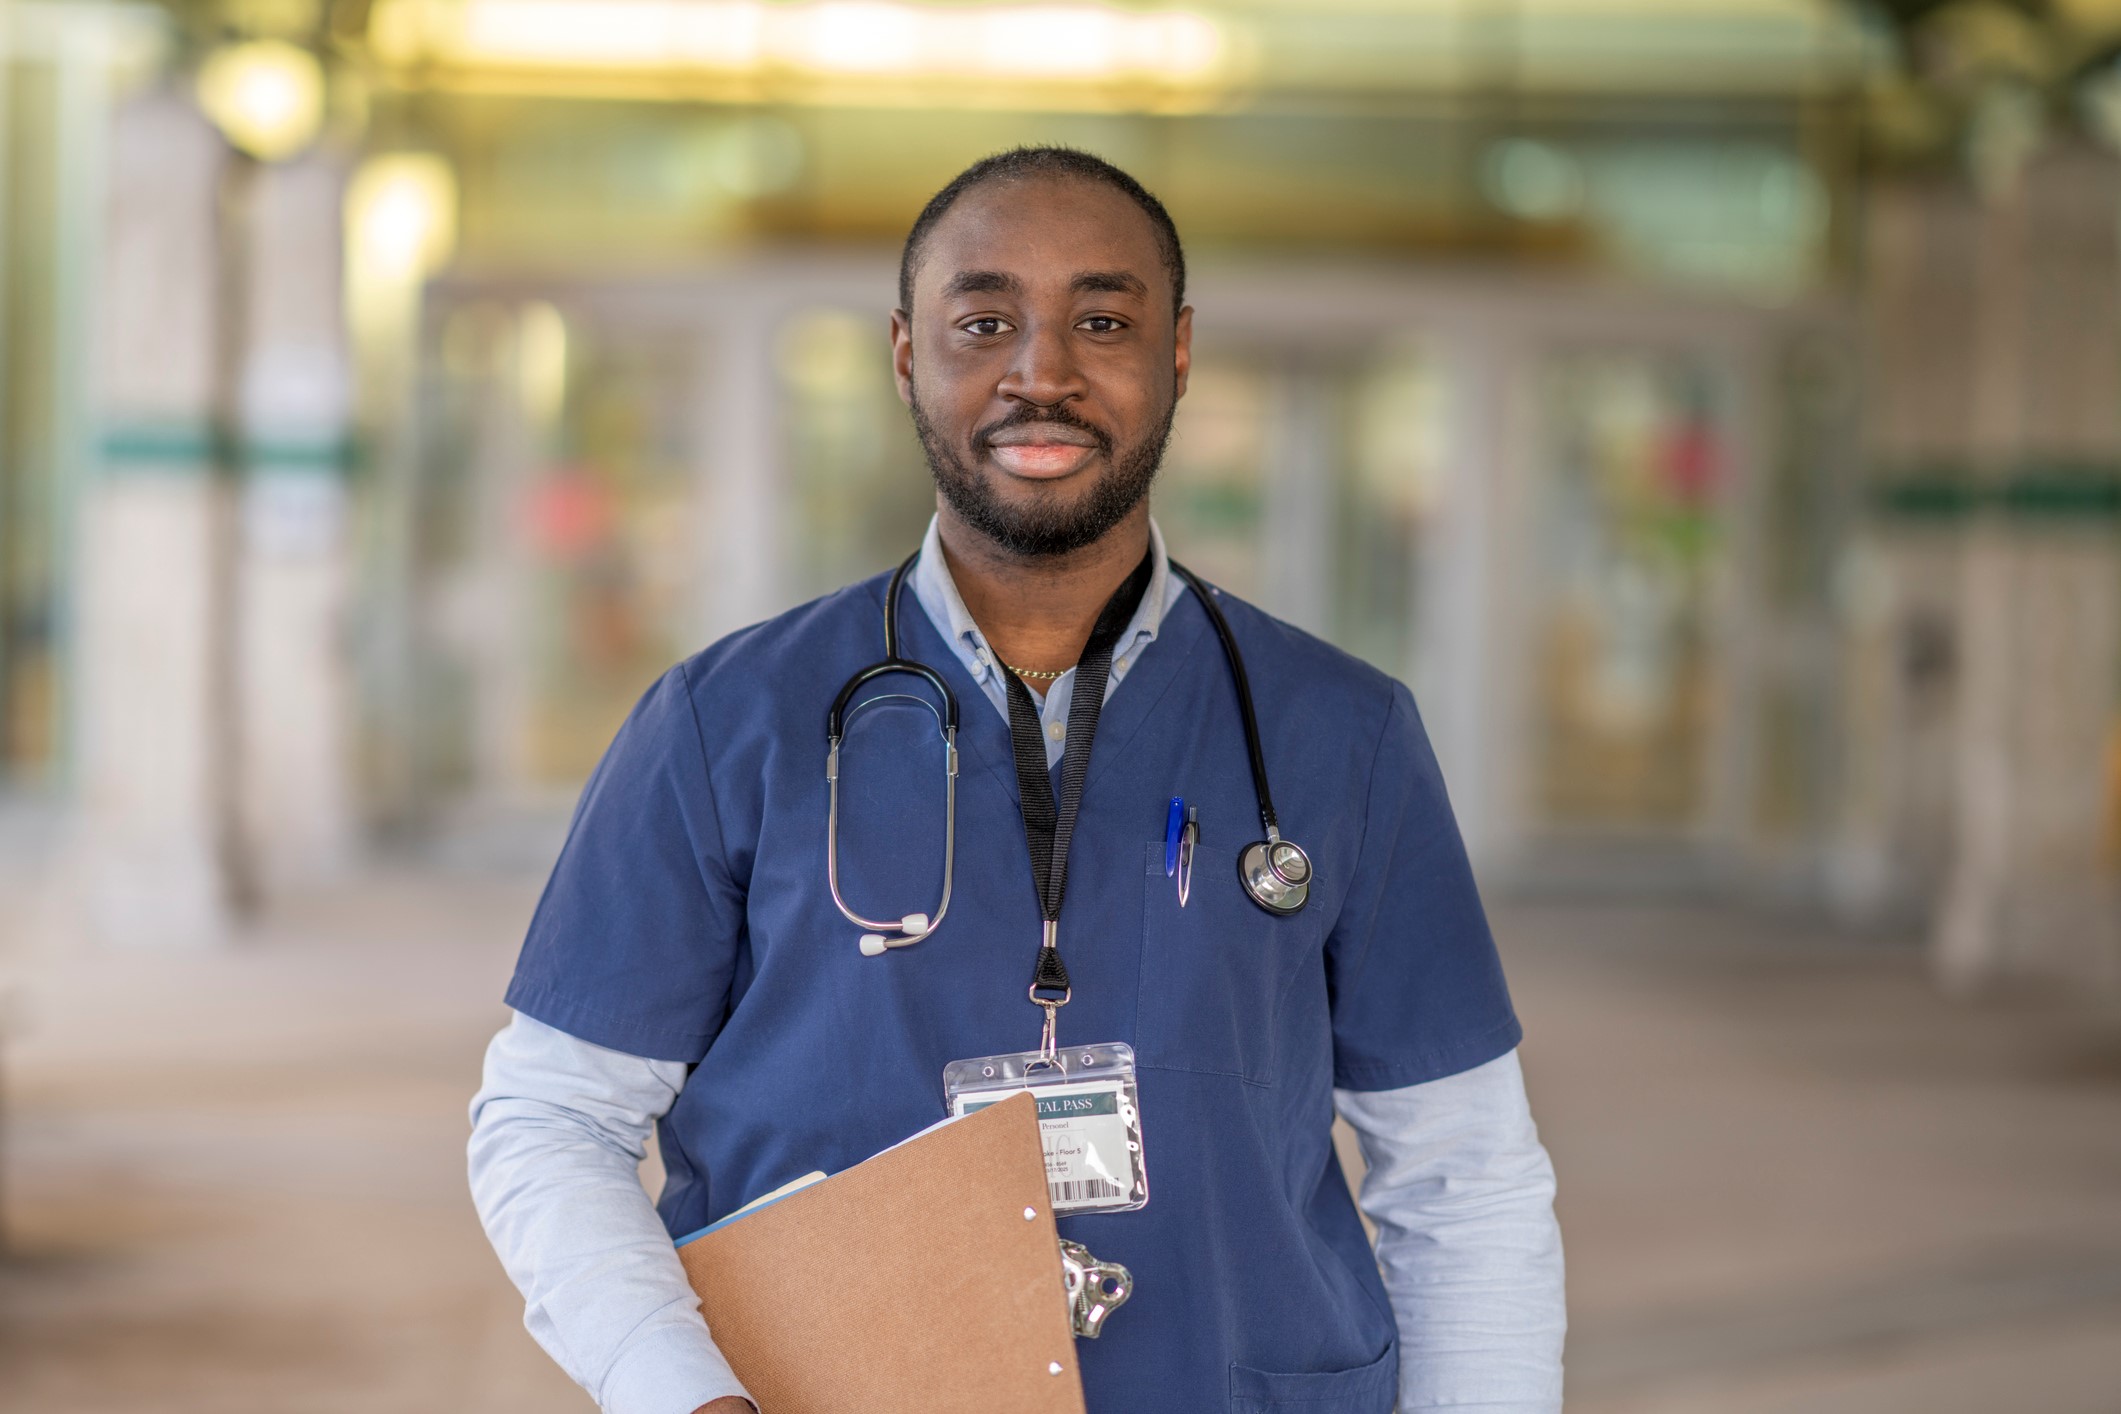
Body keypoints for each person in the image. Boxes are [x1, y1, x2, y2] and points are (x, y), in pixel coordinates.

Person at [469, 146, 1564, 1414]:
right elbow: (551, 1120)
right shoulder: (727, 724)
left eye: (1103, 320)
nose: (1042, 372)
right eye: (984, 321)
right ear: (903, 355)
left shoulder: (1340, 733)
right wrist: (684, 1395)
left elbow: (1463, 1176)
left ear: (1180, 353)